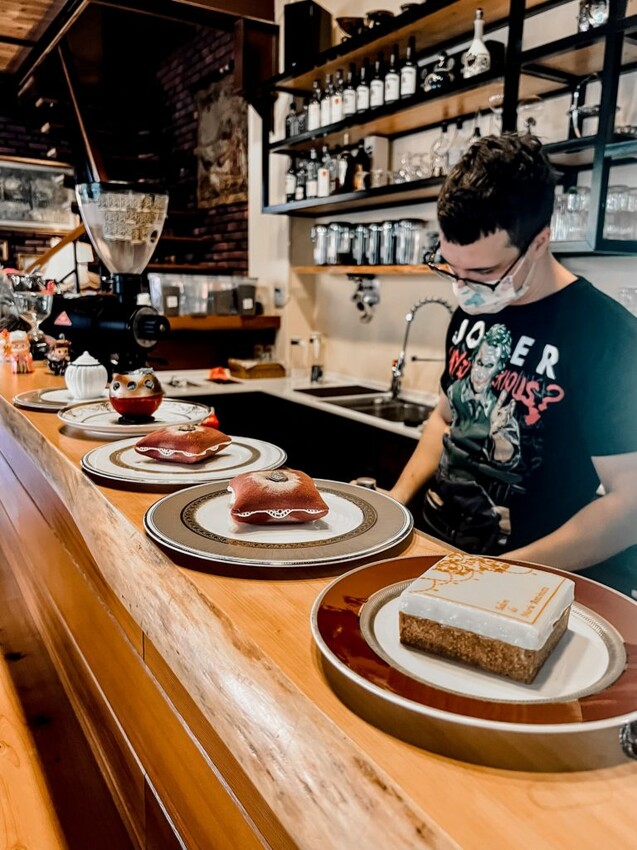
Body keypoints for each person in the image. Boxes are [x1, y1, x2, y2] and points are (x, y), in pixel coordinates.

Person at [388, 133, 637, 596]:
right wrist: (394, 507)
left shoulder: (607, 334)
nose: (464, 289)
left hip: (530, 577)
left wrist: (498, 572)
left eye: (482, 273)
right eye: (451, 269)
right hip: (437, 551)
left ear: (540, 241)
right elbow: (444, 419)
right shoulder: (473, 309)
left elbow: (630, 506)